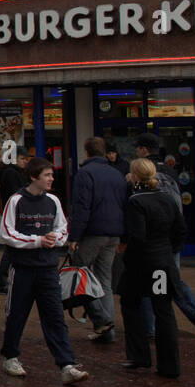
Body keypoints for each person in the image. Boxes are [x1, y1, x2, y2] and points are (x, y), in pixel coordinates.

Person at [0, 157, 89, 385]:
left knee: (55, 317)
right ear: (33, 177)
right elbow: (7, 233)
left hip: (48, 269)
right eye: (47, 175)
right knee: (17, 314)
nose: (51, 179)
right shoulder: (16, 200)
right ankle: (10, 356)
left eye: (51, 175)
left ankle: (67, 364)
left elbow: (62, 229)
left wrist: (54, 239)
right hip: (23, 269)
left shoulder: (53, 201)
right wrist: (37, 241)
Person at [119, 158, 184, 377]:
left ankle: (139, 355)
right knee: (163, 310)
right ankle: (170, 364)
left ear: (134, 176)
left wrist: (129, 260)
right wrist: (168, 250)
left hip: (142, 264)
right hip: (162, 261)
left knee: (130, 304)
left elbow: (137, 237)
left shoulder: (136, 201)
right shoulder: (166, 199)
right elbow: (180, 230)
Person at [67, 136, 128, 345]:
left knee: (78, 271)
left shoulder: (85, 174)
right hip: (113, 232)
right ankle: (107, 328)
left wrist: (74, 237)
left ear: (87, 151)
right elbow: (123, 203)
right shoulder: (117, 174)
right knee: (105, 280)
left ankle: (101, 320)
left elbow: (81, 207)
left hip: (94, 232)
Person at [0, 148, 30, 294]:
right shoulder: (11, 173)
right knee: (11, 248)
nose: (25, 161)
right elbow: (15, 194)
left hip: (16, 214)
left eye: (27, 159)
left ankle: (5, 279)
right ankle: (1, 281)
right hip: (13, 215)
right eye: (22, 158)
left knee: (12, 248)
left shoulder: (18, 172)